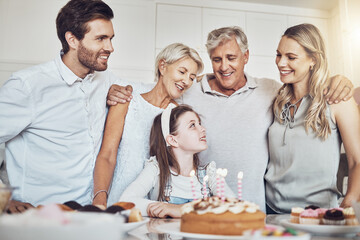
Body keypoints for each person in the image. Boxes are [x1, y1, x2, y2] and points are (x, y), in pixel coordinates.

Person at [107, 26, 353, 212]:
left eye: (231, 58)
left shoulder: (271, 91)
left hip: (257, 211)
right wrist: (122, 90)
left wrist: (339, 80)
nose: (224, 66)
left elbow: (312, 90)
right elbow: (159, 91)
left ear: (246, 56)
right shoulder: (191, 90)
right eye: (216, 59)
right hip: (205, 211)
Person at [0, 0, 123, 213]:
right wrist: (3, 198)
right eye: (101, 38)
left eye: (111, 38)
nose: (110, 48)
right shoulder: (27, 86)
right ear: (72, 40)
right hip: (38, 220)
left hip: (87, 216)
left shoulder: (106, 80)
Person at [92, 43, 204, 207]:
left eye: (192, 77)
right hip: (116, 200)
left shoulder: (180, 117)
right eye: (182, 72)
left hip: (154, 208)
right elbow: (107, 155)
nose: (186, 81)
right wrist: (99, 200)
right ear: (163, 66)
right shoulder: (126, 102)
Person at [265, 23, 360, 213]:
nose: (281, 63)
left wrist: (348, 203)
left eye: (291, 57)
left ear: (313, 60)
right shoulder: (276, 99)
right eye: (278, 55)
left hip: (318, 214)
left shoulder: (338, 99)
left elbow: (357, 161)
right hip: (271, 211)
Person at [119, 105, 235, 218]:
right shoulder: (156, 170)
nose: (202, 129)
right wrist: (159, 207)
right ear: (173, 140)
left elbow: (233, 204)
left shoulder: (209, 174)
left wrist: (181, 209)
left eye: (200, 123)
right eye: (193, 125)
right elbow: (125, 201)